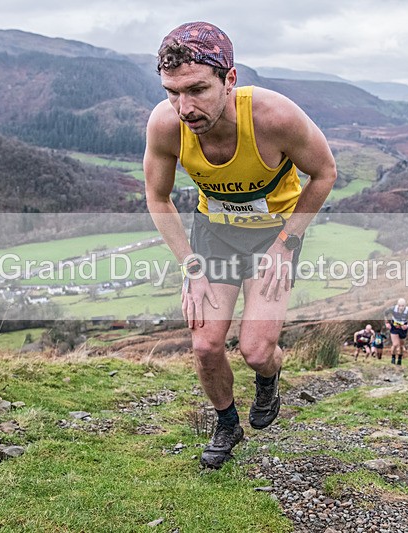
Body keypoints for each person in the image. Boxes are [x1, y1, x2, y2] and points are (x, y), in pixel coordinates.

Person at [144, 22, 337, 469]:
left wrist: (287, 243)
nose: (184, 107)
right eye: (172, 92)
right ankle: (226, 422)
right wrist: (190, 268)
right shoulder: (165, 124)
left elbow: (324, 172)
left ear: (229, 80)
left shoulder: (274, 117)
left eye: (196, 89)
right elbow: (157, 196)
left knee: (256, 350)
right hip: (215, 235)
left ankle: (269, 378)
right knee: (206, 345)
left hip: (276, 234)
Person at [383, 298, 408, 365]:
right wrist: (386, 322)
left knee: (401, 346)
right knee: (395, 344)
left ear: (405, 305)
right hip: (394, 327)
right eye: (400, 305)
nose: (401, 307)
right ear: (397, 305)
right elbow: (385, 313)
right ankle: (393, 359)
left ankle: (399, 359)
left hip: (403, 328)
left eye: (403, 306)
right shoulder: (393, 309)